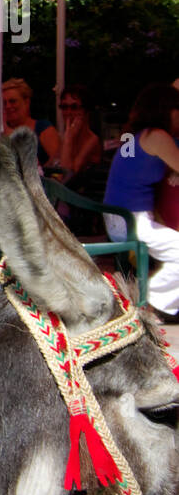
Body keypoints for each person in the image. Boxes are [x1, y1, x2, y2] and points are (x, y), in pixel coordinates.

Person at [103, 82, 179, 321]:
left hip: (121, 219)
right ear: (169, 110)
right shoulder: (157, 136)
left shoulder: (142, 137)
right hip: (131, 222)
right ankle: (147, 305)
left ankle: (153, 304)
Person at [46, 84, 102, 184]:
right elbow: (49, 166)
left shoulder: (92, 140)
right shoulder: (67, 138)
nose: (68, 112)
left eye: (74, 107)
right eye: (64, 107)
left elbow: (67, 176)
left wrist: (68, 139)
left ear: (86, 111)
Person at [1, 77, 58, 165]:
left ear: (26, 102)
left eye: (12, 101)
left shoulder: (43, 128)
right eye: (4, 103)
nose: (8, 106)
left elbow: (58, 160)